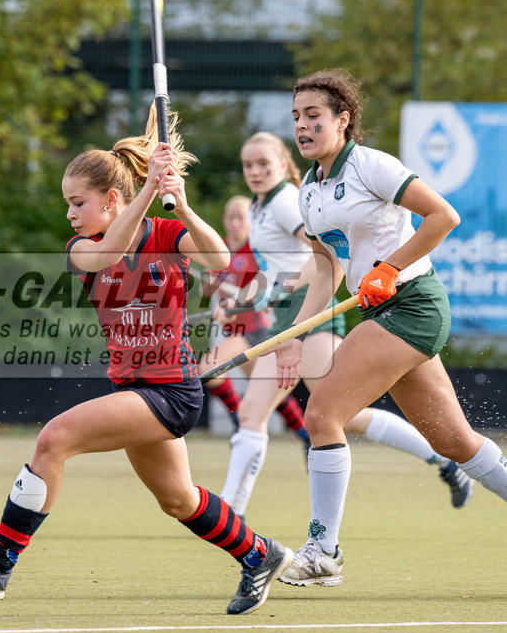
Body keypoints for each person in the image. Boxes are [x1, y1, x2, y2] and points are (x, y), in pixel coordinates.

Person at [0, 109, 293, 616]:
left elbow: (220, 261)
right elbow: (110, 255)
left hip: (169, 391)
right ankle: (261, 555)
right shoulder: (82, 247)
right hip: (136, 388)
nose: (70, 214)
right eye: (68, 205)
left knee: (53, 440)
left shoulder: (168, 235)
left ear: (110, 199)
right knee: (179, 500)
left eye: (77, 203)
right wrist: (148, 190)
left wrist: (183, 206)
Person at [274, 69, 507, 587]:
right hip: (380, 313)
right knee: (457, 444)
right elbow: (329, 270)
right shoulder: (309, 193)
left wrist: (389, 268)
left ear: (343, 119)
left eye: (313, 116)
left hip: (413, 304)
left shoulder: (370, 166)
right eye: (296, 118)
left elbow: (442, 217)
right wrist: (296, 335)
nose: (303, 127)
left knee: (322, 414)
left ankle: (322, 550)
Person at [212, 131, 473, 522]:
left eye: (264, 163)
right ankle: (442, 459)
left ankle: (230, 514)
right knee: (345, 416)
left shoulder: (286, 201)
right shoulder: (260, 207)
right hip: (289, 321)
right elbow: (282, 266)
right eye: (248, 165)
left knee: (264, 414)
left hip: (311, 319)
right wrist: (246, 297)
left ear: (283, 164)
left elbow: (322, 263)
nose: (255, 171)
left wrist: (265, 294)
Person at [198, 194, 309, 446]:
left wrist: (239, 303)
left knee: (208, 369)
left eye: (241, 217)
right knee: (270, 395)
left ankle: (240, 424)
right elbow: (208, 293)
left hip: (256, 328)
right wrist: (210, 283)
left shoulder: (256, 249)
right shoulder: (220, 251)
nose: (236, 222)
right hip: (235, 330)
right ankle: (305, 433)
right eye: (231, 217)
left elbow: (268, 284)